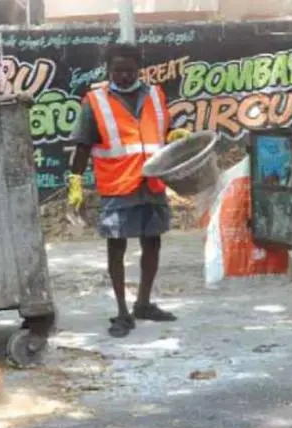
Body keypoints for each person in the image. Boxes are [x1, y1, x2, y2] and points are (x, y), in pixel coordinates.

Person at [68, 43, 191, 338]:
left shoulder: (155, 94)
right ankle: (122, 311)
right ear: (108, 70)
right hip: (118, 184)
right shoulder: (95, 101)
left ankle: (144, 303)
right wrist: (75, 181)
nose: (124, 76)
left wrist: (174, 135)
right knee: (117, 246)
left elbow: (162, 132)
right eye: (117, 71)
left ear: (139, 69)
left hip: (152, 181)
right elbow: (83, 144)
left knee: (153, 243)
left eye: (129, 70)